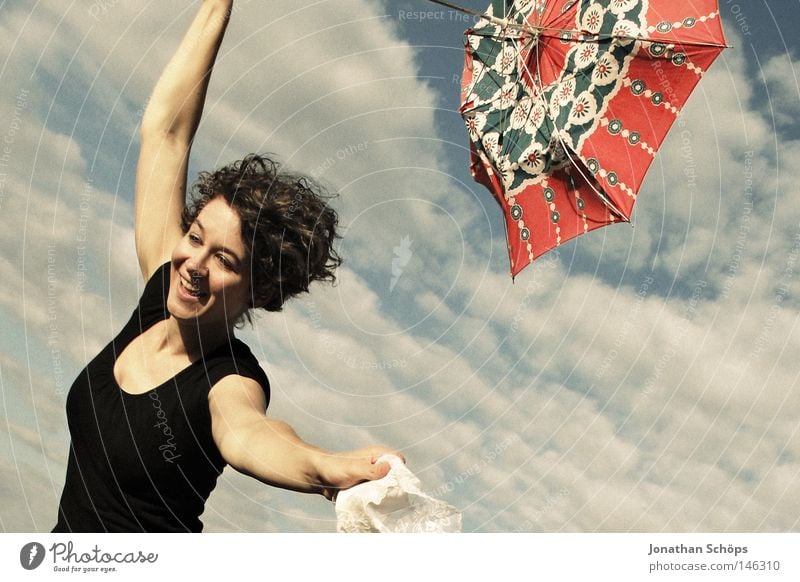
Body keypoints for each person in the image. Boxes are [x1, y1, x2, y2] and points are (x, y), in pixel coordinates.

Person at [52, 0, 398, 533]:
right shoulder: (158, 295)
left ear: (258, 290)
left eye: (224, 261)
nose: (193, 264)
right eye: (194, 237)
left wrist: (324, 468)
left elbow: (250, 436)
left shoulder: (229, 377)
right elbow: (166, 135)